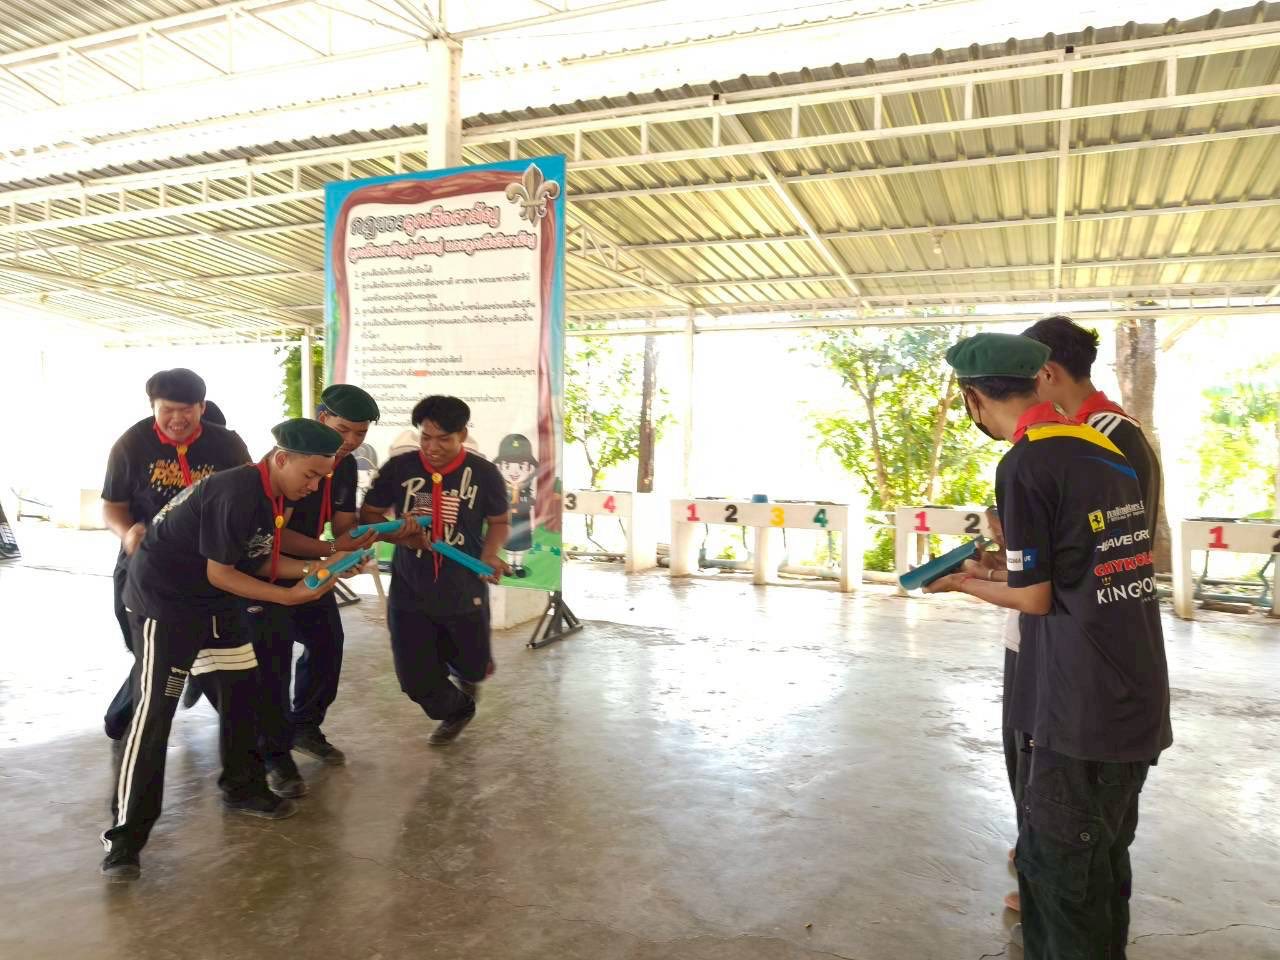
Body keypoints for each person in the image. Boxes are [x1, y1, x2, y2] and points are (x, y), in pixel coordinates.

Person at [925, 333, 1172, 959]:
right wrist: (992, 569)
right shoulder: (1103, 447)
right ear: (1039, 380)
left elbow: (1034, 599)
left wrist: (962, 583)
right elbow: (1076, 570)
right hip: (1131, 698)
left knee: (1059, 892)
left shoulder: (1026, 462)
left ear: (974, 399)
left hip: (1078, 709)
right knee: (1103, 876)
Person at [101, 419, 357, 881]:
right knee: (154, 714)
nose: (314, 487)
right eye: (311, 475)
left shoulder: (272, 492)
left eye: (322, 478)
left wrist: (325, 562)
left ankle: (243, 788)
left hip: (216, 603)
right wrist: (291, 595)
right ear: (282, 458)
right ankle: (125, 838)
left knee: (243, 696)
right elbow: (223, 572)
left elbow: (260, 555)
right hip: (167, 605)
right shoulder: (236, 492)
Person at [244, 385, 384, 797]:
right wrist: (330, 554)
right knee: (273, 663)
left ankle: (305, 726)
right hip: (267, 570)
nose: (351, 441)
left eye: (361, 433)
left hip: (310, 567)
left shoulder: (344, 464)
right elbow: (275, 537)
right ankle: (274, 755)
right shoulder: (285, 460)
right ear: (322, 418)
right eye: (344, 430)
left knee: (327, 643)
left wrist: (364, 542)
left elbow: (343, 527)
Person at [101, 369, 251, 741]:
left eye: (187, 409)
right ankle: (124, 716)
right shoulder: (131, 444)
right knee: (148, 650)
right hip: (146, 568)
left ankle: (251, 751)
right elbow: (113, 506)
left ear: (202, 407)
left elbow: (247, 494)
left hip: (206, 566)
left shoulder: (227, 444)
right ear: (153, 406)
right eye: (168, 409)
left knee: (179, 652)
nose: (177, 418)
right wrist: (128, 532)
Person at [360, 395, 510, 746]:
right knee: (415, 678)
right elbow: (369, 515)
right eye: (425, 437)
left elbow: (499, 521)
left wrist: (490, 554)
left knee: (472, 665)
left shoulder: (484, 473)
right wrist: (402, 535)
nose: (432, 447)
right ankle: (457, 709)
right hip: (410, 588)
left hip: (464, 587)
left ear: (462, 435)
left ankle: (465, 676)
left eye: (444, 438)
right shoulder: (399, 468)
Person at [1021, 316, 1162, 543]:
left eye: (1028, 377)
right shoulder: (1113, 426)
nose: (1025, 389)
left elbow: (1081, 527)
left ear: (1047, 372)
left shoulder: (1099, 434)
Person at [493, 433, 538, 578]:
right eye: (507, 466)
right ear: (499, 467)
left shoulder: (526, 493)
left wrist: (533, 523)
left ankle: (518, 565)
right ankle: (509, 565)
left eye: (521, 466)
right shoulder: (501, 492)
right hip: (506, 523)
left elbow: (531, 507)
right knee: (509, 546)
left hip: (523, 522)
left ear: (530, 468)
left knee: (520, 547)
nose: (514, 472)